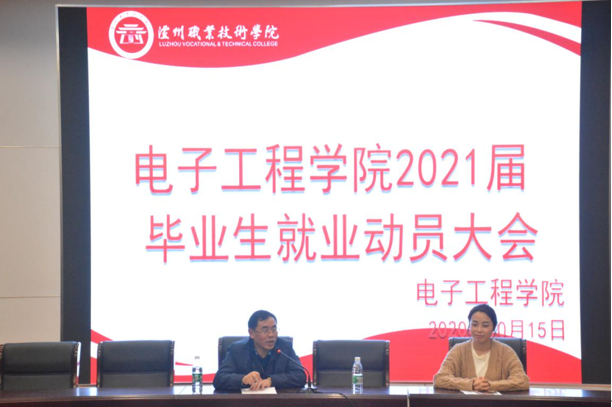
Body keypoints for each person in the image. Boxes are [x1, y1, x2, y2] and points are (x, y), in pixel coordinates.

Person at [433, 304, 529, 392]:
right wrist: (470, 384)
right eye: (474, 324)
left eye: (485, 325)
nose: (479, 330)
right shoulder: (458, 350)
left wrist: (490, 385)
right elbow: (439, 379)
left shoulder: (506, 352)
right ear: (469, 325)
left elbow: (522, 381)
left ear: (494, 327)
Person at [213, 310, 307, 391]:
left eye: (274, 329)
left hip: (277, 401)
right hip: (245, 402)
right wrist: (242, 379)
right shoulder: (237, 350)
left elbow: (300, 376)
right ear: (251, 333)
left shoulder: (285, 348)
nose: (271, 335)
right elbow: (219, 379)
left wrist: (272, 381)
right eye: (265, 330)